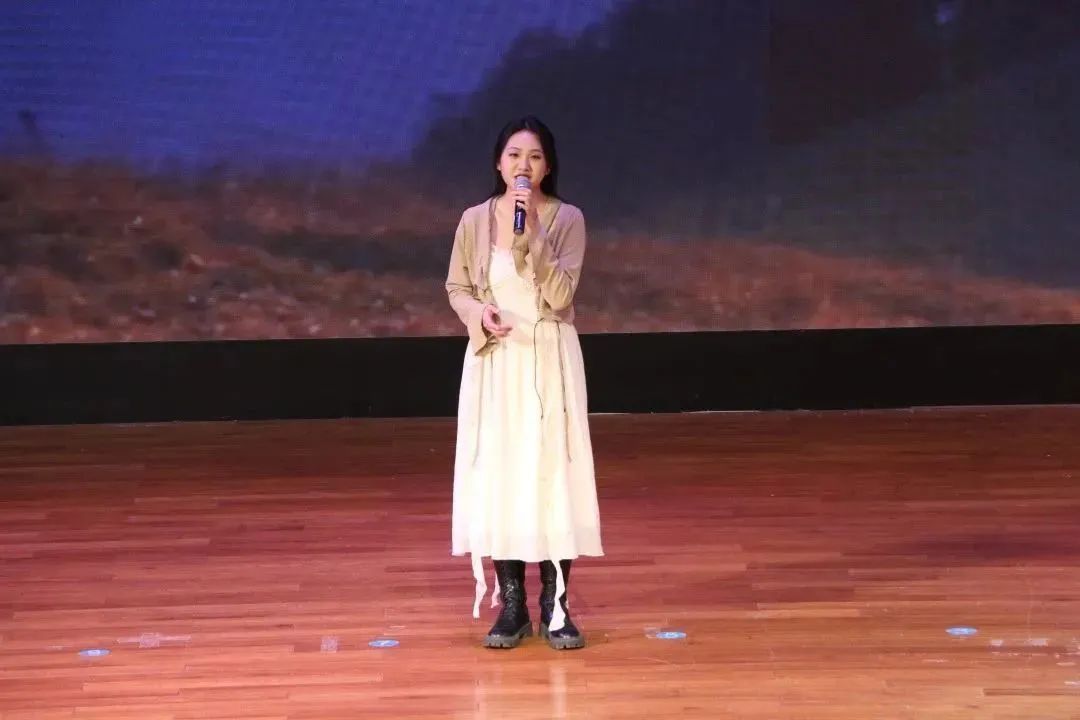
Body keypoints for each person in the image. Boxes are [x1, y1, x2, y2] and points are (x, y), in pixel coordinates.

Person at [445, 116, 603, 650]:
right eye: (514, 155)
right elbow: (458, 287)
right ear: (499, 163)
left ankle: (556, 605)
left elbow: (560, 295)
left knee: (552, 472)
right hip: (496, 359)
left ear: (547, 167)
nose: (523, 166)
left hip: (549, 356)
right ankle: (511, 605)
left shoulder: (567, 219)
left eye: (534, 157)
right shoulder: (474, 220)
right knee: (502, 473)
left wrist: (531, 230)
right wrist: (479, 314)